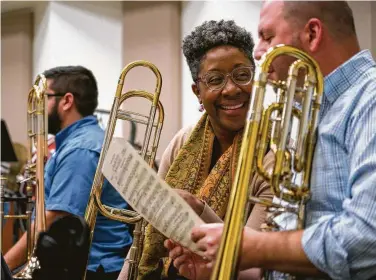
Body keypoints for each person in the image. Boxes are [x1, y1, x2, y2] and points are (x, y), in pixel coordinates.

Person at [166, 1, 376, 280]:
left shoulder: (368, 102)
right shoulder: (305, 111)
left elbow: (367, 240)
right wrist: (224, 266)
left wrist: (253, 247)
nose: (258, 51)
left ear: (312, 34)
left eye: (267, 36)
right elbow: (285, 249)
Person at [117, 20, 273, 280]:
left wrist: (198, 210)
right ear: (197, 92)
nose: (232, 88)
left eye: (242, 75)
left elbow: (256, 266)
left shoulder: (273, 155)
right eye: (215, 80)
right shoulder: (182, 143)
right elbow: (146, 237)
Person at [4, 66, 133, 280]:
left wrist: (5, 266)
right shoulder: (77, 142)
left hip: (88, 270)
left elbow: (52, 220)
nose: (38, 108)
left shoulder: (80, 150)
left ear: (66, 101)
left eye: (43, 99)